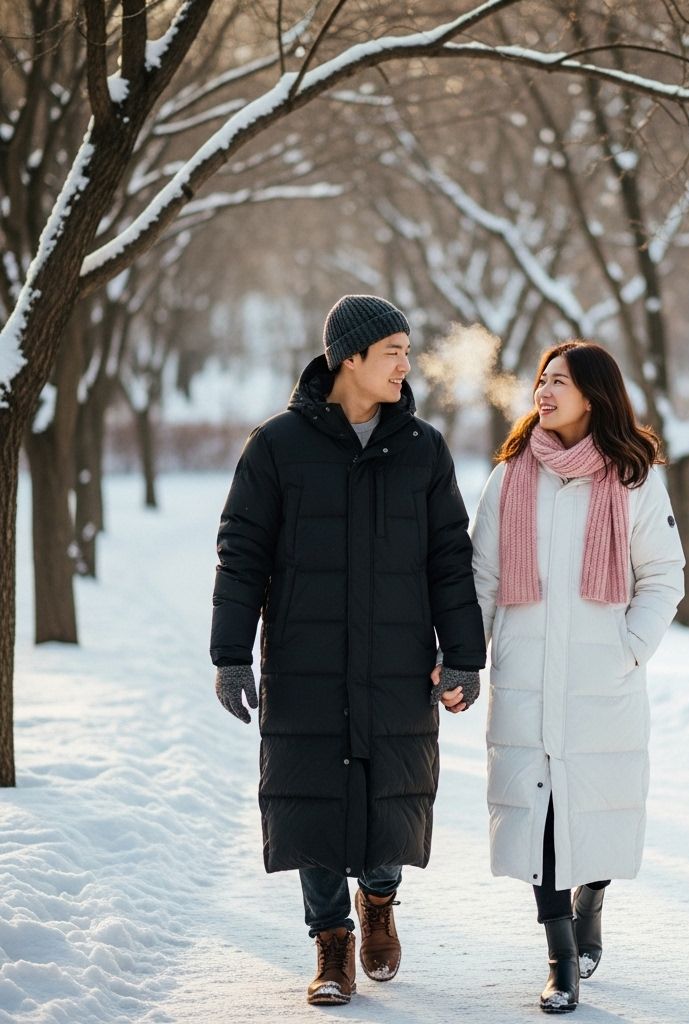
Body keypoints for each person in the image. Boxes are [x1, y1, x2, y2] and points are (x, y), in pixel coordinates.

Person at [210, 294, 484, 1006]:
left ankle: (381, 902)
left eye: (408, 351)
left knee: (388, 784)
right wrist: (231, 655)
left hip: (396, 656)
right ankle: (331, 940)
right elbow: (242, 555)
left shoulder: (422, 448)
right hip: (306, 657)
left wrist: (463, 655)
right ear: (349, 358)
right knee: (316, 794)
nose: (406, 364)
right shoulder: (276, 445)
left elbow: (450, 559)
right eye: (393, 350)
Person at [470, 341, 684, 1013]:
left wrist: (630, 647)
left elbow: (663, 577)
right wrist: (470, 656)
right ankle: (561, 959)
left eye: (558, 381)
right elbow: (479, 578)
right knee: (543, 818)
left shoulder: (633, 478)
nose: (544, 390)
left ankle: (591, 899)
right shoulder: (509, 477)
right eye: (540, 379)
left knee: (592, 812)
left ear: (593, 394)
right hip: (526, 676)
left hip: (601, 683)